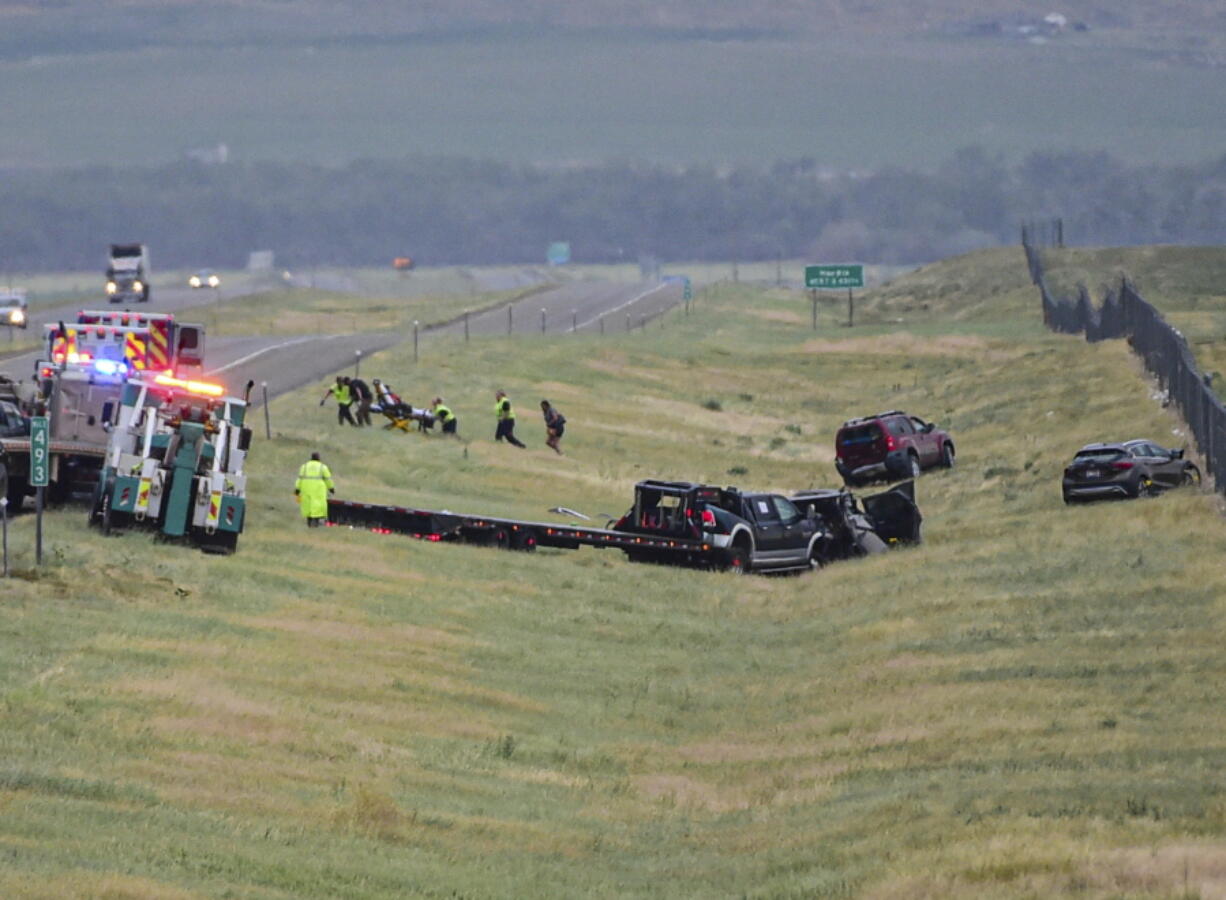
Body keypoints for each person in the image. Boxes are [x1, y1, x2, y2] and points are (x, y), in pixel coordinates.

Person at [294, 451, 334, 527]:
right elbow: (328, 479)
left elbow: (300, 479)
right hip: (318, 489)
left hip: (306, 488)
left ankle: (309, 522)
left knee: (307, 505)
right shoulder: (322, 467)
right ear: (319, 458)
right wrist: (331, 488)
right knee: (318, 505)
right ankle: (315, 522)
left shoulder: (304, 467)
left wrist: (297, 489)